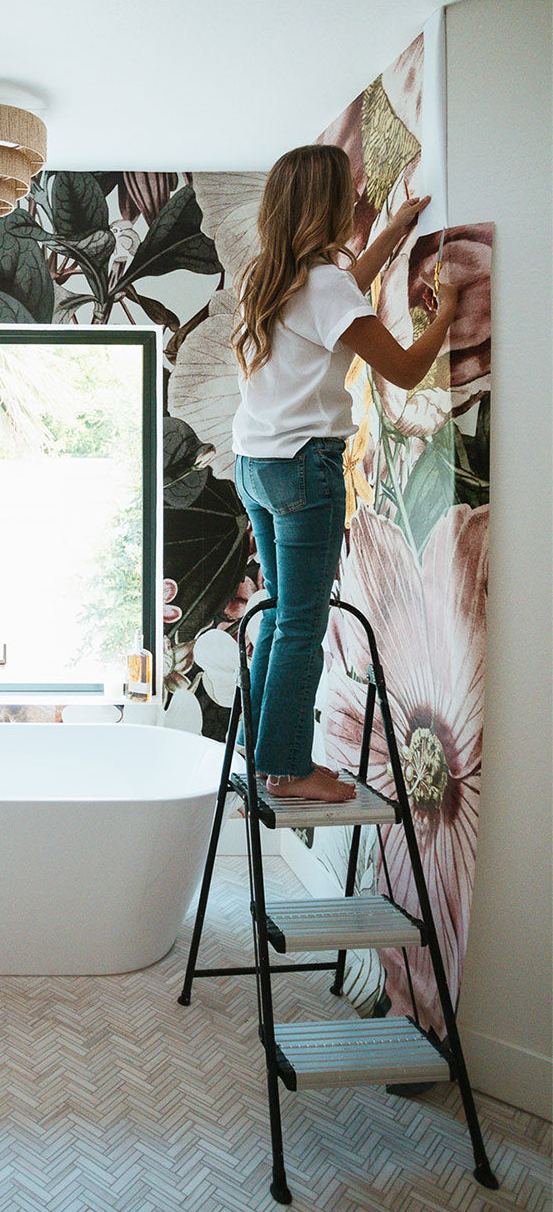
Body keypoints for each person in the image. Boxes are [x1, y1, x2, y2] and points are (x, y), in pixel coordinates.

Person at [231, 143, 457, 802]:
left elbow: (338, 294)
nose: (357, 200)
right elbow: (407, 371)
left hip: (258, 465)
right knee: (302, 620)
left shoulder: (268, 275)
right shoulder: (322, 283)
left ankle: (271, 757)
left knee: (281, 612)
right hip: (305, 467)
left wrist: (390, 234)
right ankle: (290, 769)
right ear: (325, 204)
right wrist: (443, 314)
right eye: (349, 192)